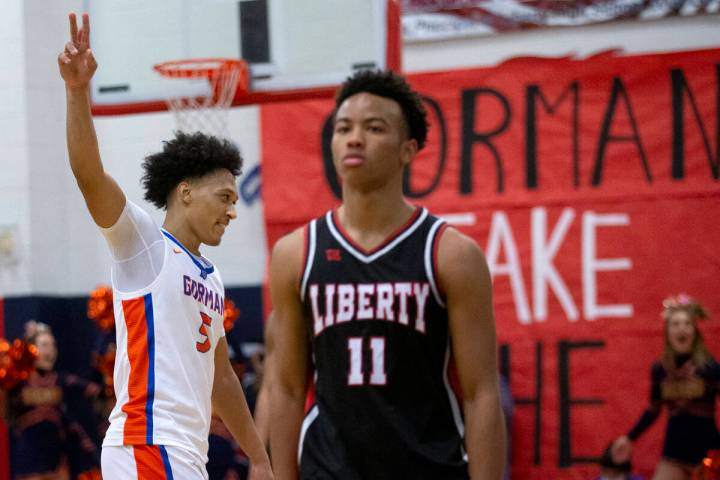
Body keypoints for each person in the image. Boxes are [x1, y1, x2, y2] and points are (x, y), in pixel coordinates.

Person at [57, 13, 272, 479]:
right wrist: (77, 93)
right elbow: (89, 176)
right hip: (146, 443)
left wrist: (258, 456)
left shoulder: (210, 277)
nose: (233, 211)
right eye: (225, 197)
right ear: (186, 191)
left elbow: (223, 377)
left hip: (183, 452)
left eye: (236, 200)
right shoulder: (144, 243)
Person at [269, 69, 506, 479]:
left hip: (428, 467)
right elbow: (288, 389)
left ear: (408, 149)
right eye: (343, 128)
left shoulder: (452, 254)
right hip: (328, 469)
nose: (354, 138)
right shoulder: (295, 253)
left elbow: (482, 393)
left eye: (374, 128)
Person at [612, 294, 719, 480]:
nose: (681, 329)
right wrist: (629, 438)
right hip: (673, 454)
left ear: (695, 330)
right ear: (668, 332)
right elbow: (653, 410)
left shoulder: (710, 367)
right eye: (675, 324)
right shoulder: (660, 369)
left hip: (708, 455)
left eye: (687, 324)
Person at [8, 321, 101, 480]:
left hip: (57, 465)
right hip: (28, 466)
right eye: (44, 345)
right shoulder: (17, 383)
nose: (50, 350)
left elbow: (92, 389)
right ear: (31, 349)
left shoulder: (62, 380)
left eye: (53, 345)